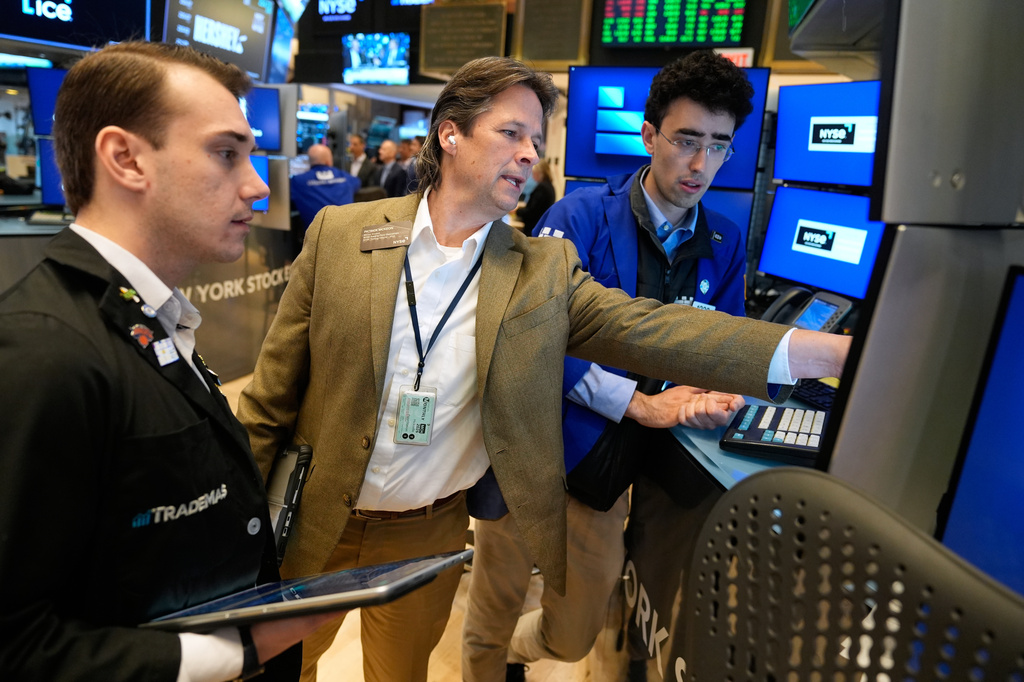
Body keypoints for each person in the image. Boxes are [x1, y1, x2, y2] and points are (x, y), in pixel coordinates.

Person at [236, 55, 850, 682]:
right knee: (283, 672)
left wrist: (835, 352)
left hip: (426, 534)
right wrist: (236, 527)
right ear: (450, 133)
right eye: (512, 134)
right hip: (314, 514)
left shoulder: (540, 269)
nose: (531, 154)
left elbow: (657, 330)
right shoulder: (341, 234)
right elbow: (270, 398)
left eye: (536, 140)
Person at [0, 41, 336, 681]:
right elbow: (16, 643)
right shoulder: (45, 349)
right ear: (125, 158)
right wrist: (233, 653)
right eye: (225, 153)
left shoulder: (152, 318)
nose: (258, 184)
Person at [461, 49, 758, 682]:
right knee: (491, 610)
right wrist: (638, 401)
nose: (701, 164)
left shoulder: (726, 241)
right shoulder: (576, 218)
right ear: (650, 136)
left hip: (615, 479)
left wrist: (715, 392)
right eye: (685, 140)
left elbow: (719, 343)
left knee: (572, 636)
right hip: (535, 452)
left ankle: (519, 652)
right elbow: (530, 338)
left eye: (719, 145)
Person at [290, 143, 361, 227]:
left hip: (317, 236)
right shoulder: (345, 177)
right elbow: (357, 183)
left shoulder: (298, 181)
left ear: (310, 162)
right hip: (349, 232)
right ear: (329, 161)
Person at [513, 159, 555, 232]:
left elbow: (532, 212)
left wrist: (517, 211)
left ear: (540, 173)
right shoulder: (549, 186)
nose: (532, 177)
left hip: (532, 228)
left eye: (534, 173)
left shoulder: (542, 188)